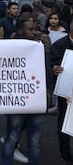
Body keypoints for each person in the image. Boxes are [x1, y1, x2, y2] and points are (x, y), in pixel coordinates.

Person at [0, 19, 48, 165]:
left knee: (34, 141)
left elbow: (48, 72)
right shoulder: (9, 47)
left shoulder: (41, 45)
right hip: (18, 102)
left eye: (35, 29)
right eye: (30, 29)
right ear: (20, 30)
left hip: (38, 100)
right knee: (12, 138)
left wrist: (47, 48)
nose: (34, 32)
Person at [51, 17, 73, 163]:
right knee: (65, 122)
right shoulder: (60, 44)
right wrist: (55, 69)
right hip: (66, 91)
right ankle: (65, 151)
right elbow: (52, 64)